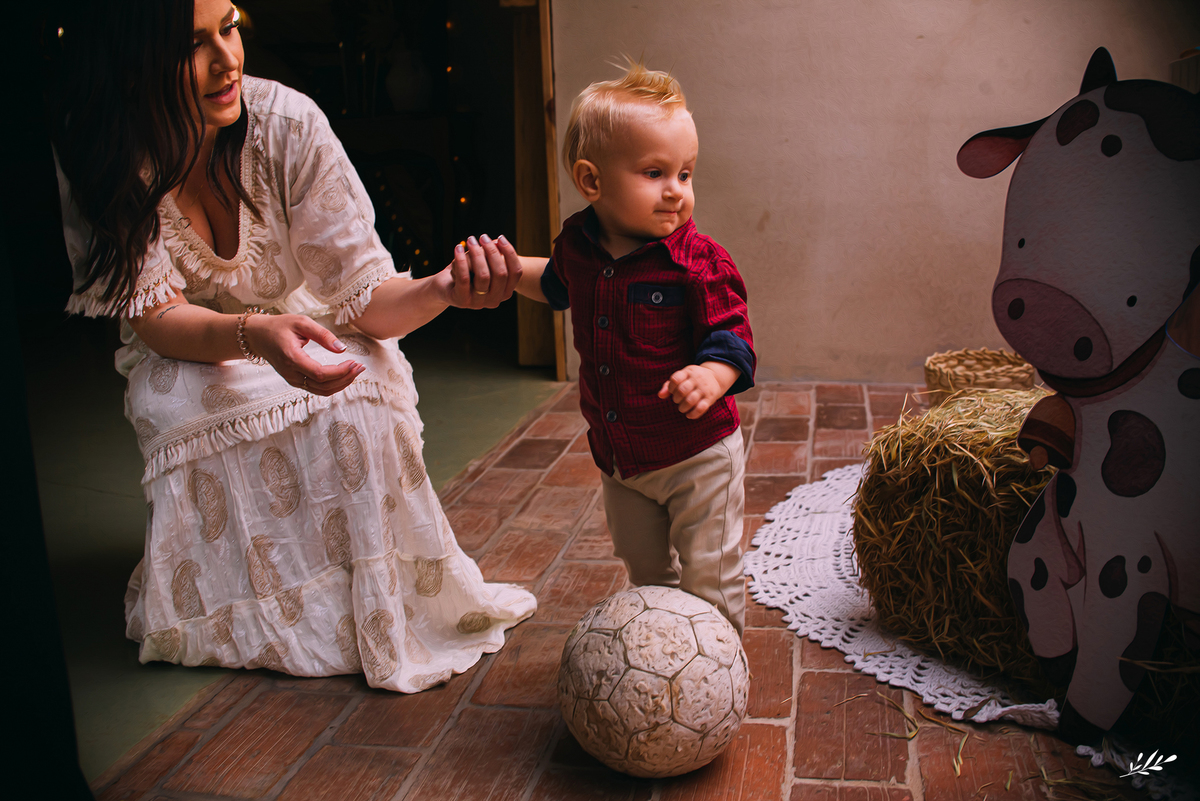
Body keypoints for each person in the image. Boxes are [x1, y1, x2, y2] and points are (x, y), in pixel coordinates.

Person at [49, 0, 535, 692]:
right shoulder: (99, 146)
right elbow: (157, 317)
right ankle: (233, 604)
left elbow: (365, 299)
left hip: (301, 322)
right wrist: (254, 336)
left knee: (359, 377)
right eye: (193, 43)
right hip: (186, 348)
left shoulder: (287, 124)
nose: (228, 60)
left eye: (230, 26)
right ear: (132, 58)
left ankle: (351, 604)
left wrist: (440, 290)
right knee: (174, 393)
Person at [502, 62, 755, 633]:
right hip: (621, 461)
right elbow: (555, 285)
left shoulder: (699, 262)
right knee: (645, 570)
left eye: (685, 174)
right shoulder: (579, 246)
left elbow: (733, 337)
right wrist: (510, 271)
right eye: (654, 172)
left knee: (709, 573)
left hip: (697, 456)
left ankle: (719, 670)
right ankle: (664, 650)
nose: (676, 191)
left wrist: (711, 376)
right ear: (592, 181)